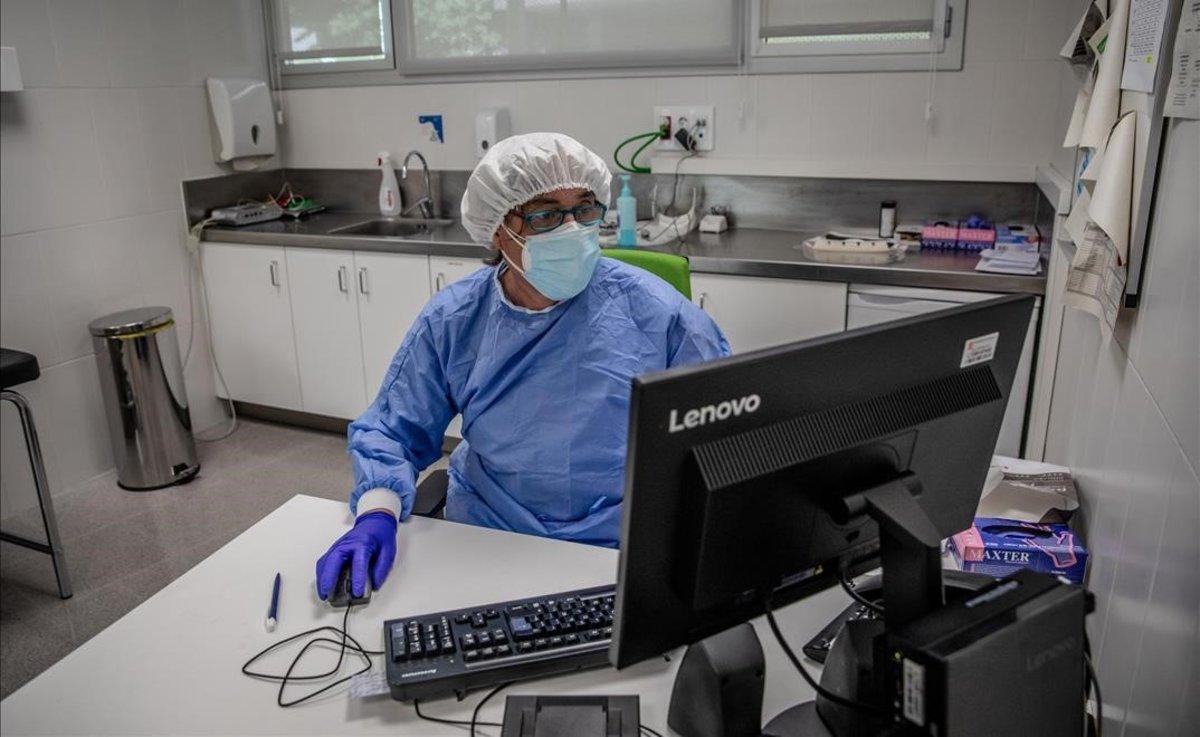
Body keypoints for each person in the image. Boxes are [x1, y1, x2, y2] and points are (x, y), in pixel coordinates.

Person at [315, 132, 730, 601]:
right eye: (546, 214)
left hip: (620, 544)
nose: (572, 229)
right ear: (498, 229)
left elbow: (726, 426)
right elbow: (394, 427)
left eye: (585, 208)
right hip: (491, 535)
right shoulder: (456, 320)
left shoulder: (657, 312)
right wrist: (376, 512)